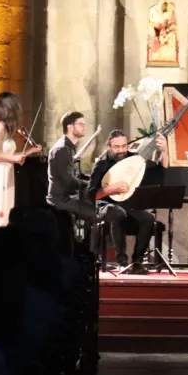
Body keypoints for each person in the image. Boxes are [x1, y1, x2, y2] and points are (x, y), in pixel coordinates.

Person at [46, 111, 125, 269]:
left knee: (97, 211)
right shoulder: (62, 149)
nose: (84, 127)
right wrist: (92, 186)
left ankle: (89, 256)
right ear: (70, 126)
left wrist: (93, 179)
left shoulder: (69, 147)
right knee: (97, 216)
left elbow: (75, 175)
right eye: (80, 124)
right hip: (60, 198)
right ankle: (93, 260)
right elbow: (68, 181)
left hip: (69, 196)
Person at [88, 130, 168, 274]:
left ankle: (137, 263)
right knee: (117, 213)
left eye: (124, 146)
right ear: (109, 147)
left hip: (128, 206)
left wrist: (164, 151)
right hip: (106, 206)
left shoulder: (133, 159)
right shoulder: (101, 164)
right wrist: (110, 189)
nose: (121, 150)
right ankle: (122, 262)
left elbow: (158, 172)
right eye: (117, 147)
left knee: (148, 218)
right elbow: (91, 194)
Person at [0, 92, 40, 227]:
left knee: (6, 209)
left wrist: (30, 151)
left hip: (6, 171)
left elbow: (7, 154)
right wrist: (13, 158)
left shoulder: (6, 128)